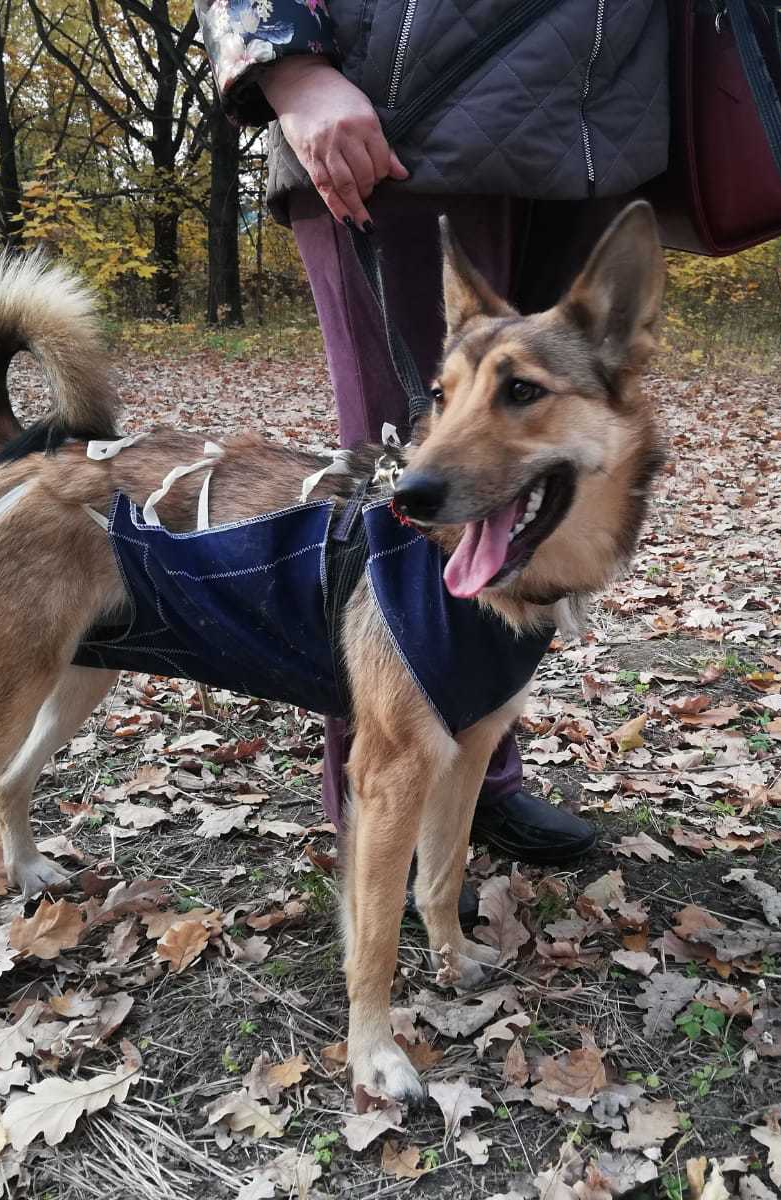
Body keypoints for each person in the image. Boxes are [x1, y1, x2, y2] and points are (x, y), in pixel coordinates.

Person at [197, 0, 668, 870]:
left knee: (534, 488)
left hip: (601, 129)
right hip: (402, 116)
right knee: (406, 495)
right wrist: (287, 65)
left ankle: (477, 782)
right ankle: (384, 800)